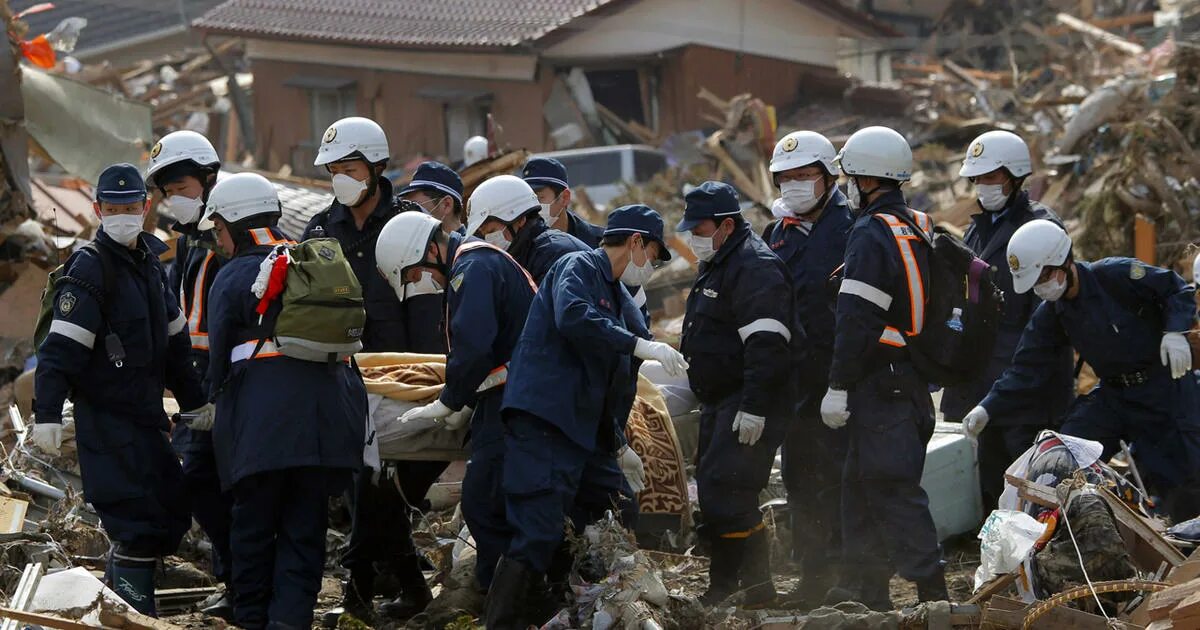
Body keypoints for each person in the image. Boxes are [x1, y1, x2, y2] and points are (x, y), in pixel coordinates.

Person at [488, 205, 686, 628]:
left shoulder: (620, 299)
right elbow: (574, 316)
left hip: (584, 432)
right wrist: (638, 346)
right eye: (652, 254)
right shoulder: (575, 266)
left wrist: (618, 444)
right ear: (635, 242)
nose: (651, 266)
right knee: (538, 530)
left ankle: (582, 611)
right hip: (544, 420)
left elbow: (617, 384)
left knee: (615, 508)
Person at [32, 163, 210, 616]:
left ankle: (116, 604)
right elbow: (60, 351)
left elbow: (175, 346)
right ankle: (134, 616)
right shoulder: (89, 271)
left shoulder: (149, 265)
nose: (123, 215)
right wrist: (47, 413)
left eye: (130, 207)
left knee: (169, 512)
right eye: (113, 208)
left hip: (146, 418)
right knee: (135, 521)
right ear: (97, 210)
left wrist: (196, 403)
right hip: (106, 421)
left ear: (146, 207)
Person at [202, 173, 367, 629]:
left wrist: (210, 409)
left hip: (263, 431)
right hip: (327, 428)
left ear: (233, 224)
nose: (218, 241)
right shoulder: (312, 262)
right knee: (304, 533)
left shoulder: (233, 276)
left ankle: (254, 621)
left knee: (253, 532)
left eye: (217, 230)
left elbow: (217, 362)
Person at [302, 117, 443, 624]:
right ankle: (405, 590)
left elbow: (428, 312)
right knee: (369, 485)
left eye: (349, 167)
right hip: (343, 376)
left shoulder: (410, 223)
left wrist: (430, 380)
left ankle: (359, 592)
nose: (340, 177)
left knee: (379, 486)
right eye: (333, 169)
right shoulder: (320, 229)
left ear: (377, 167)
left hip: (402, 378)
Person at [963, 220, 1200, 521]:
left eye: (1044, 275)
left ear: (1063, 260)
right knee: (1065, 453)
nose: (1042, 287)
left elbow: (1176, 290)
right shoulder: (1052, 313)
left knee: (1183, 484)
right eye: (1035, 282)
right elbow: (1026, 368)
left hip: (1164, 390)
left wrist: (1175, 332)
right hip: (1115, 396)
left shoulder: (1115, 276)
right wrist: (988, 407)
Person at [376, 207, 537, 593]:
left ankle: (503, 604)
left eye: (415, 275)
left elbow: (474, 346)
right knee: (494, 502)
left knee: (485, 503)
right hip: (514, 395)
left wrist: (450, 400)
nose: (419, 284)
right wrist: (465, 400)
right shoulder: (478, 262)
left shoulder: (472, 269)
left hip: (518, 400)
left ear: (431, 251)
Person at [819, 126, 947, 609]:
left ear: (868, 180)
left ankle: (933, 594)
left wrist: (837, 384)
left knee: (891, 488)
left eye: (848, 176)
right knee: (860, 490)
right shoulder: (918, 223)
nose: (844, 186)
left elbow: (856, 318)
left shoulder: (872, 232)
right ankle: (871, 596)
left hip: (883, 385)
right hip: (906, 381)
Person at [676, 181, 798, 608]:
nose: (692, 235)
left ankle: (742, 587)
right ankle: (746, 586)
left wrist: (754, 408)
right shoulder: (719, 261)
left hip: (747, 398)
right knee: (719, 490)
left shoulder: (754, 267)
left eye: (700, 227)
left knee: (728, 490)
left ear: (727, 226)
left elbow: (767, 345)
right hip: (720, 399)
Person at [940, 131, 1074, 508]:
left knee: (1029, 487)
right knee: (985, 480)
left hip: (1026, 387)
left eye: (992, 178)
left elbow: (1049, 320)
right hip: (980, 378)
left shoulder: (1042, 229)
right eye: (978, 179)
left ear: (1015, 177)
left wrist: (1021, 379)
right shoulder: (976, 229)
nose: (983, 187)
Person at [144, 129, 235, 619]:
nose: (172, 200)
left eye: (181, 188)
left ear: (209, 178)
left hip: (230, 379)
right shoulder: (186, 242)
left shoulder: (229, 234)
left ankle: (242, 581)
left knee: (218, 479)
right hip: (196, 379)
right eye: (167, 192)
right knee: (204, 480)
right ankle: (234, 576)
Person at [764, 132, 853, 606]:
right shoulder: (775, 233)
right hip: (794, 381)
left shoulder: (853, 225)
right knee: (801, 480)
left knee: (843, 478)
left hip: (840, 377)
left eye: (805, 176)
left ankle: (851, 578)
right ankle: (813, 577)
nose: (794, 185)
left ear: (829, 176)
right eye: (786, 178)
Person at [464, 174, 590, 284]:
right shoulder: (525, 254)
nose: (488, 240)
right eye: (484, 234)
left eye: (491, 231)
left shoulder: (555, 255)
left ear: (520, 220)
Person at [521, 157, 604, 247]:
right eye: (527, 199)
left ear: (565, 197)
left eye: (539, 197)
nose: (532, 206)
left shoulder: (599, 243)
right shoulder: (518, 245)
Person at [397, 161, 465, 236]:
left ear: (446, 205)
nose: (409, 214)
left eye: (415, 206)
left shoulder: (471, 247)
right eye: (406, 205)